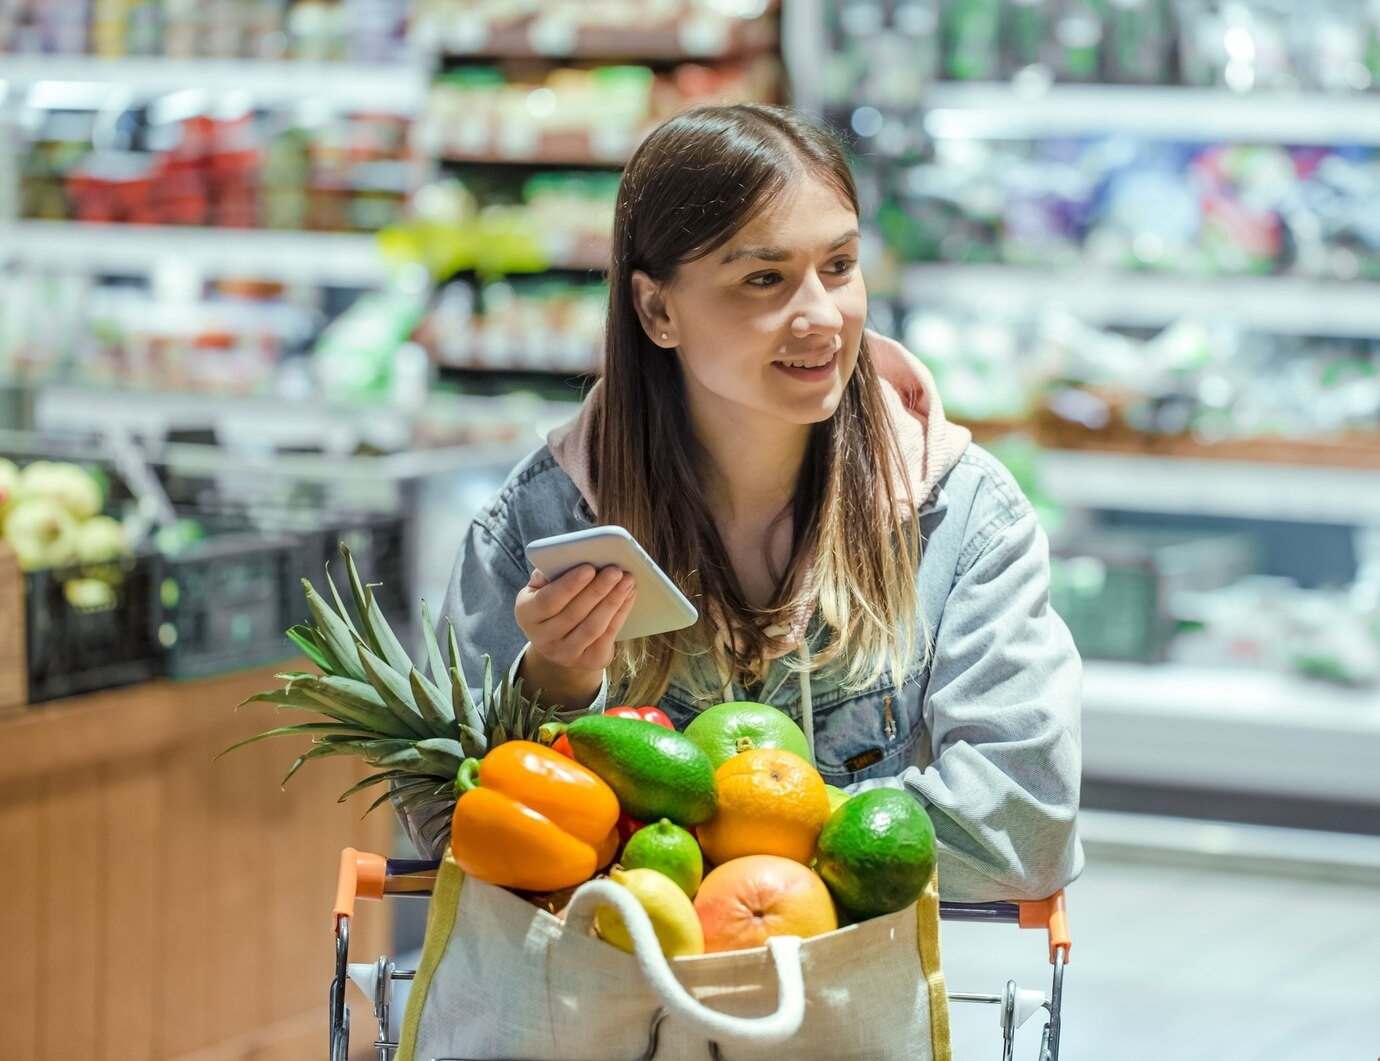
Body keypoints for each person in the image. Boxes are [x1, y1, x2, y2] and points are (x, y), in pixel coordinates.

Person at [417, 102, 1083, 903]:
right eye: (764, 278)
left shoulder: (964, 517)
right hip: (606, 982)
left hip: (845, 991)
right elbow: (441, 815)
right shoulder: (544, 522)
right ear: (658, 310)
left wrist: (737, 836)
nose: (822, 315)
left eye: (840, 265)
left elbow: (1024, 824)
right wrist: (555, 684)